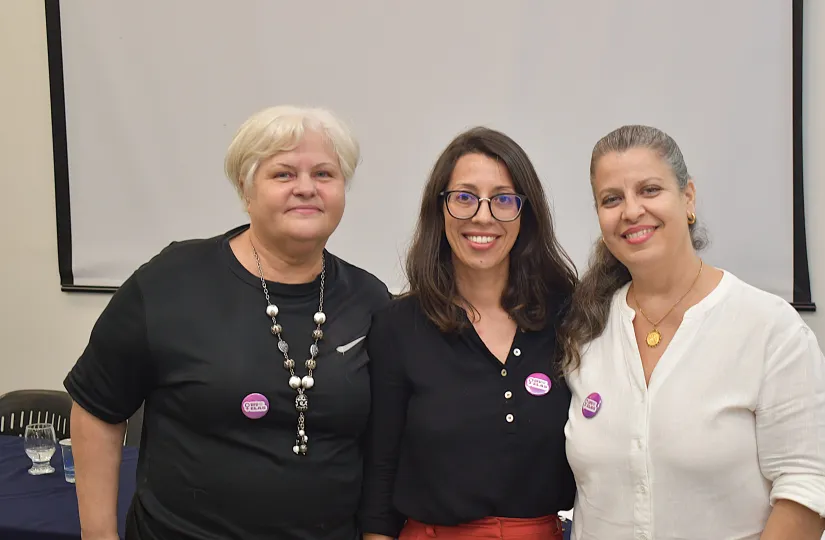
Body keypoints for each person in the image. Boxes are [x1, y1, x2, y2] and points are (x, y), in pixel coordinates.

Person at [63, 105, 391, 540]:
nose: (306, 189)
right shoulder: (169, 282)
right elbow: (96, 412)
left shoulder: (370, 300)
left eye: (325, 175)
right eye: (284, 174)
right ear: (246, 188)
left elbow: (384, 448)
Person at [560, 125, 825, 540]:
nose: (631, 211)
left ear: (688, 197)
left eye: (650, 190)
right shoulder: (587, 331)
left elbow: (806, 490)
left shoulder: (769, 328)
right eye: (611, 199)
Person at [359, 127, 578, 540]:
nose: (482, 216)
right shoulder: (398, 325)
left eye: (503, 199)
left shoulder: (567, 316)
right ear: (439, 209)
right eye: (464, 197)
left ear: (525, 213)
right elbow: (380, 474)